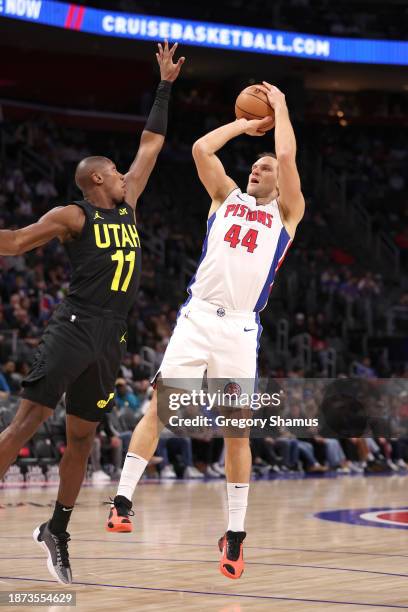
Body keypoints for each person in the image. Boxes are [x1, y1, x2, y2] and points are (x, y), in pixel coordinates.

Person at [0, 41, 185, 584]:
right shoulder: (72, 215)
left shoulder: (129, 205)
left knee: (82, 437)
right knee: (25, 426)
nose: (127, 176)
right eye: (117, 173)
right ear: (98, 178)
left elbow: (151, 144)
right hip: (75, 326)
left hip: (111, 337)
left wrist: (165, 85)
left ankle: (56, 529)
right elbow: (12, 243)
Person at [106, 82, 305, 580]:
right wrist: (243, 124)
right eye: (254, 166)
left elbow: (286, 153)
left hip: (240, 331)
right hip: (197, 317)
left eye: (266, 168)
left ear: (281, 182)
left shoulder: (286, 213)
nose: (258, 169)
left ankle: (235, 536)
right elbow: (200, 148)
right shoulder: (225, 197)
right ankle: (123, 500)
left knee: (237, 433)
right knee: (161, 407)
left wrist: (279, 109)